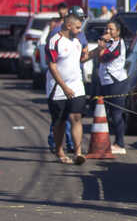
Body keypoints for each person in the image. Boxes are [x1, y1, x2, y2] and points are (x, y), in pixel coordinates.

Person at [46, 12, 92, 165]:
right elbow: (52, 66)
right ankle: (60, 152)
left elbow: (81, 59)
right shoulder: (55, 41)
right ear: (68, 25)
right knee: (59, 121)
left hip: (77, 86)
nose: (80, 30)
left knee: (76, 117)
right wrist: (64, 87)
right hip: (58, 88)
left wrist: (98, 50)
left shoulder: (77, 41)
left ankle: (78, 153)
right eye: (78, 27)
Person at [96, 19, 129, 155]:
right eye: (106, 29)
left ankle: (120, 144)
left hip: (117, 83)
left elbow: (103, 58)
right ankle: (114, 142)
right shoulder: (110, 43)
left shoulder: (118, 45)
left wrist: (101, 48)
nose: (107, 31)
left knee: (116, 114)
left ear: (118, 32)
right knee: (109, 114)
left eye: (111, 29)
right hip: (106, 82)